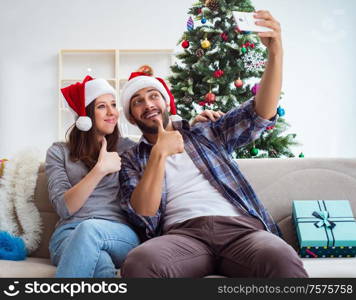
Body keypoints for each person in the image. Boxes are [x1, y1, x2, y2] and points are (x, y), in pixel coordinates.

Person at [118, 11, 309, 278]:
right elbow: (143, 213)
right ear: (130, 115)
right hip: (183, 236)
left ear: (166, 103)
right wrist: (159, 153)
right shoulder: (131, 159)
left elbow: (259, 113)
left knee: (280, 257)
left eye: (153, 96)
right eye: (137, 101)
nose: (148, 104)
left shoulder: (206, 132)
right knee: (140, 263)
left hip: (241, 230)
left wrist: (275, 52)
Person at [45, 75, 222, 277]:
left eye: (113, 105)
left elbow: (162, 143)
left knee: (90, 231)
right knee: (101, 263)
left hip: (120, 234)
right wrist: (99, 170)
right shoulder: (58, 152)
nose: (112, 112)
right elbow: (64, 207)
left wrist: (192, 125)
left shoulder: (129, 149)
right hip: (68, 235)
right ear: (84, 116)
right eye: (102, 106)